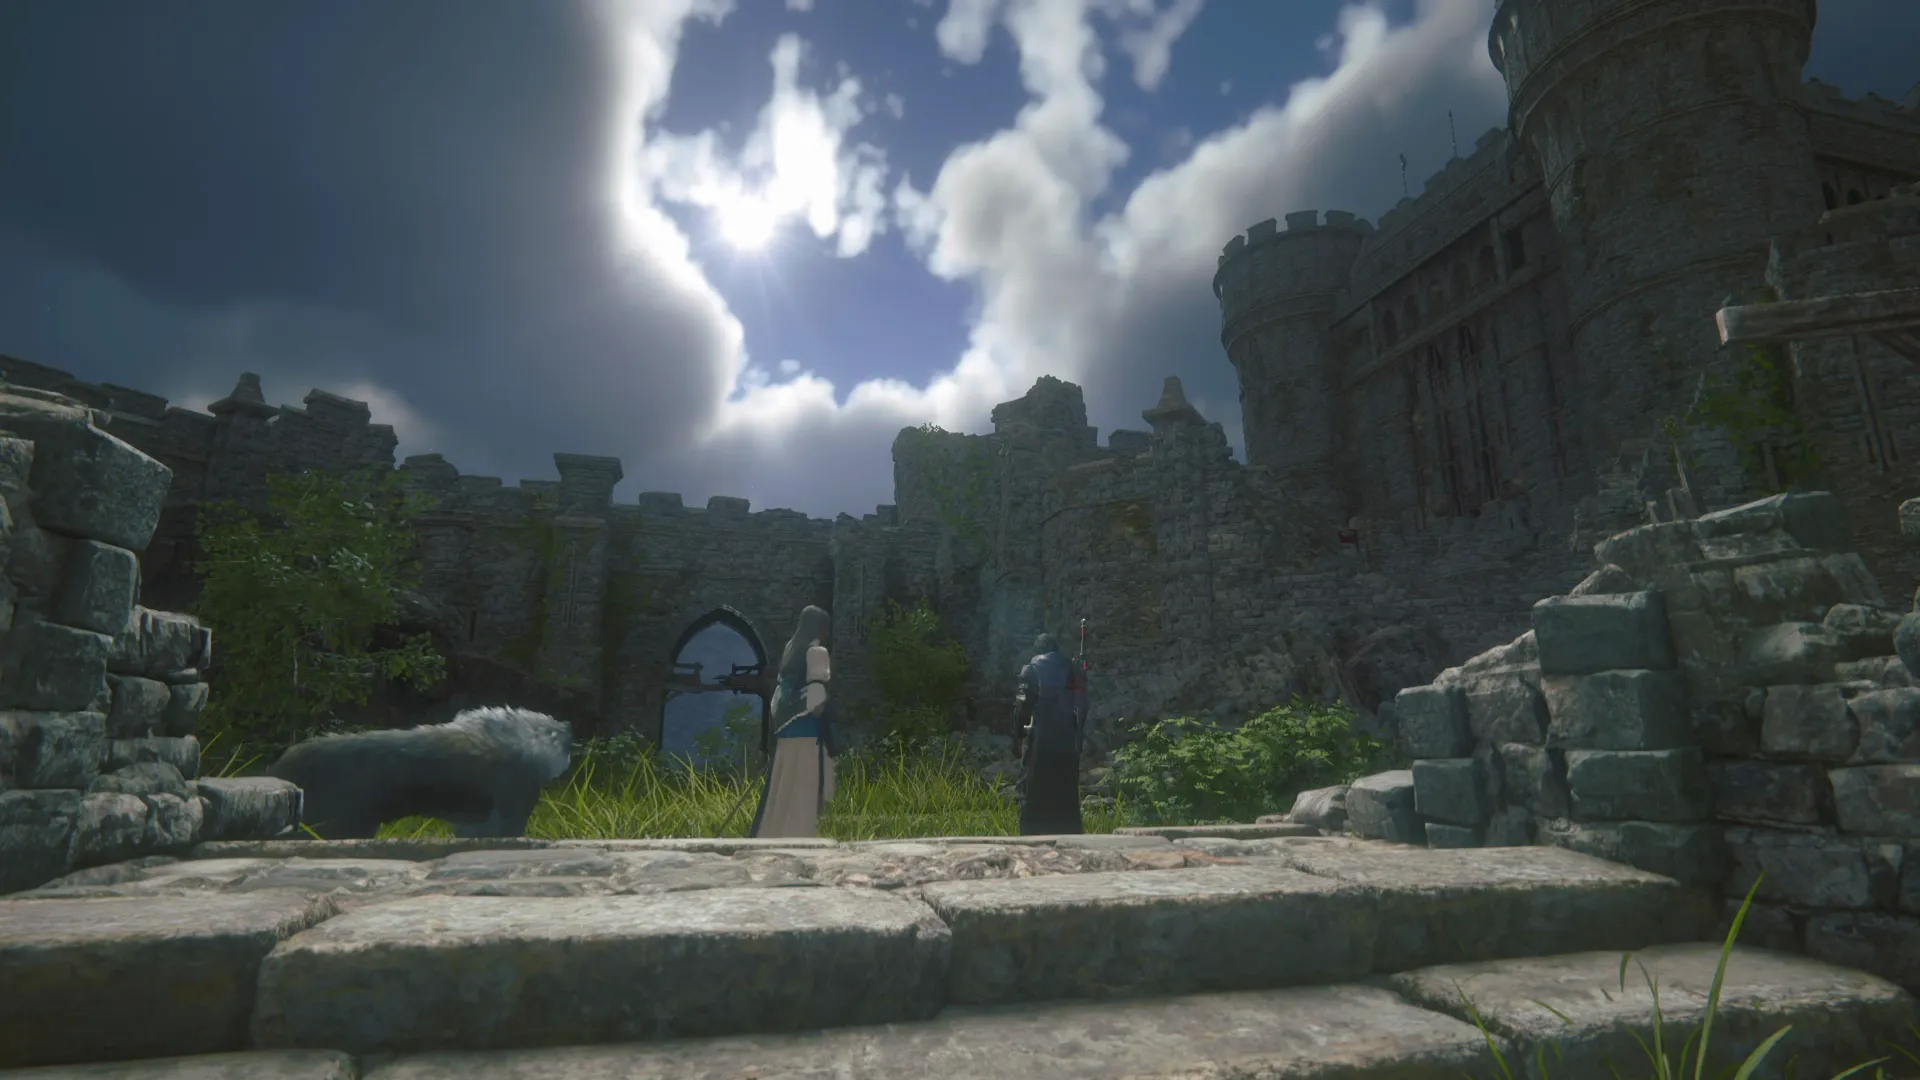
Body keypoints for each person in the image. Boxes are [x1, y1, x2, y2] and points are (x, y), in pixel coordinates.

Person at [749, 605, 842, 838]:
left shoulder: (790, 654)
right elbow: (817, 697)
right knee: (803, 790)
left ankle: (775, 835)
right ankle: (800, 836)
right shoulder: (817, 653)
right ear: (820, 629)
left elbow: (778, 699)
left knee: (783, 791)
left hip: (785, 735)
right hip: (808, 735)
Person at [1010, 631, 1086, 835]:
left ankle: (1032, 836)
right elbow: (1082, 706)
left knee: (1032, 792)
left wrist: (1017, 738)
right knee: (1066, 794)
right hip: (1067, 742)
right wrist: (1078, 739)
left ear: (1037, 650)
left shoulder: (1030, 670)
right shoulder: (1073, 669)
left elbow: (1021, 707)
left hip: (1040, 742)